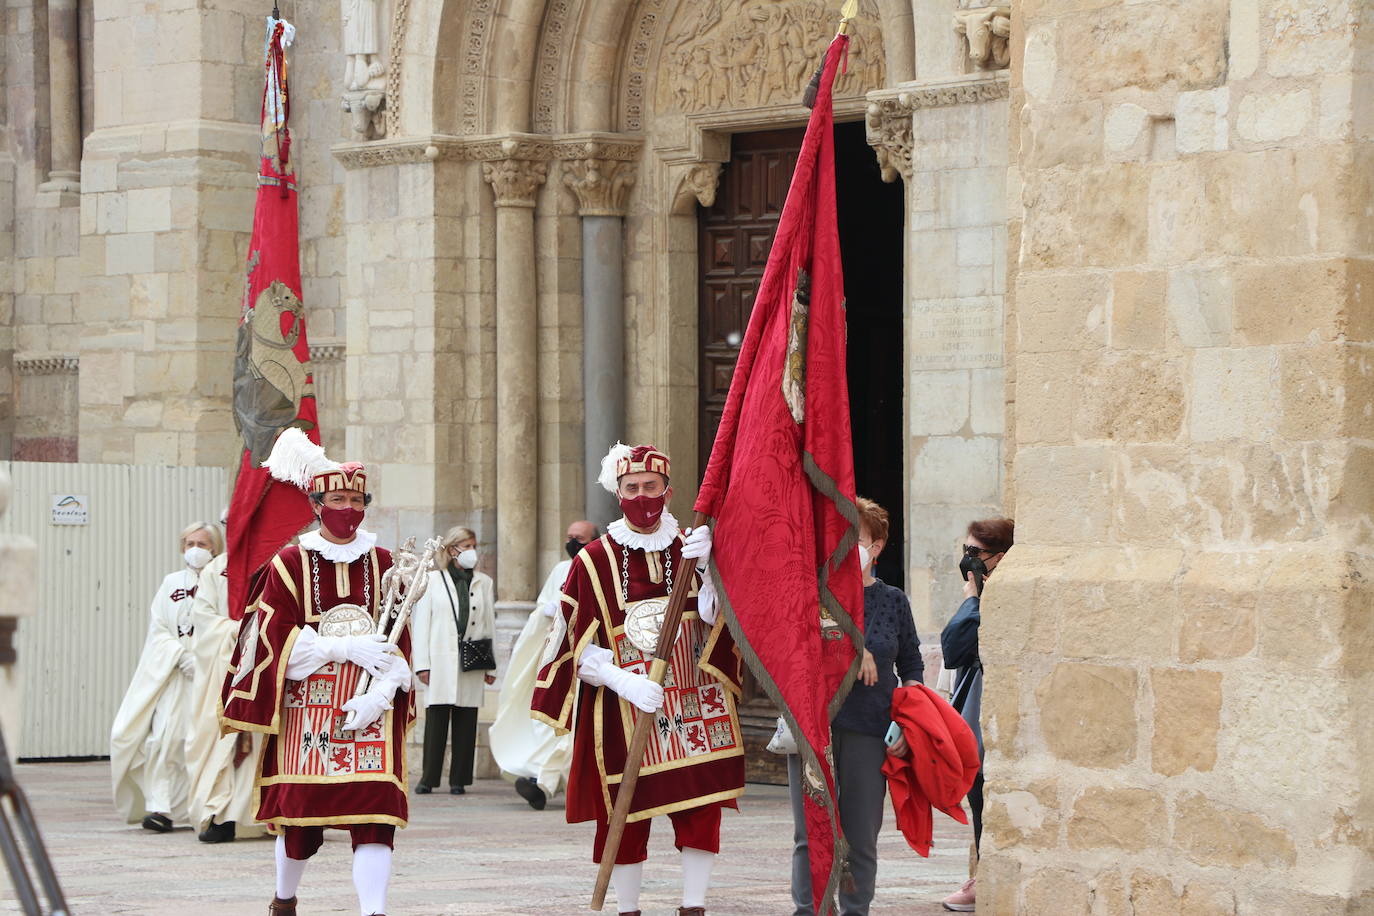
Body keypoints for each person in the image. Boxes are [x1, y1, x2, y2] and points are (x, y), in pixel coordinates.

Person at [532, 443, 744, 916]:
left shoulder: (692, 546)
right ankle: (629, 909)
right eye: (633, 488)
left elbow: (718, 620)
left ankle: (693, 906)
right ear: (618, 492)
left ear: (668, 492)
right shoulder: (592, 559)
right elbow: (570, 644)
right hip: (623, 705)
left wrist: (712, 571)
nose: (643, 495)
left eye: (652, 487)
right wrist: (621, 681)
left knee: (700, 806)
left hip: (693, 697)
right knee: (623, 815)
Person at [220, 433, 414, 916]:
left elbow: (400, 640)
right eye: (337, 499)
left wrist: (383, 692)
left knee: (376, 814)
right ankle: (284, 899)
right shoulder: (290, 563)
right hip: (307, 706)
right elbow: (270, 636)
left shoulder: (385, 563)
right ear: (317, 503)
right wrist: (343, 645)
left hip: (371, 708)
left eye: (355, 499)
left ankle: (374, 911)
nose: (347, 508)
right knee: (301, 818)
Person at [788, 497, 923, 916]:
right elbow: (789, 652)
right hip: (812, 727)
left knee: (861, 833)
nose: (845, 546)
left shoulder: (894, 601)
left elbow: (911, 664)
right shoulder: (810, 593)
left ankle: (855, 909)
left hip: (869, 728)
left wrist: (908, 723)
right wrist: (850, 647)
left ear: (877, 546)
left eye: (857, 539)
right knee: (810, 832)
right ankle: (807, 910)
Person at [111, 521, 223, 833]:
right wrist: (181, 656)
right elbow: (158, 628)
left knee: (198, 742)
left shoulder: (222, 581)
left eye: (203, 543)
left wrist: (204, 658)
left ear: (215, 547)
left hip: (209, 677)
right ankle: (161, 808)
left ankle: (200, 806)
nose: (196, 550)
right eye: (190, 543)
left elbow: (226, 624)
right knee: (163, 739)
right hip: (176, 675)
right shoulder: (170, 582)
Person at [489, 519, 597, 810]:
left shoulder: (599, 568)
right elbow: (542, 612)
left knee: (578, 728)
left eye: (580, 538)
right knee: (556, 726)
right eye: (570, 537)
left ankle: (548, 783)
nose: (574, 542)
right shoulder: (560, 570)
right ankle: (543, 781)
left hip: (593, 659)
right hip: (558, 659)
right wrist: (548, 611)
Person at [938, 517, 1013, 913]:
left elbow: (954, 645)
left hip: (993, 725)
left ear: (999, 558)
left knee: (987, 801)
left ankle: (985, 882)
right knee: (979, 800)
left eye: (976, 554)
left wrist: (971, 598)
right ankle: (983, 879)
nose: (968, 561)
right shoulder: (984, 597)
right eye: (965, 551)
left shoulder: (997, 601)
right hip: (974, 721)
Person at [185, 512, 266, 844]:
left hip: (263, 664)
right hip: (223, 666)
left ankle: (259, 816)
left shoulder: (273, 564)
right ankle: (220, 812)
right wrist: (234, 630)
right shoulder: (216, 569)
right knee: (217, 738)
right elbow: (202, 616)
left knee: (261, 740)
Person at [410, 525, 497, 796]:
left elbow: (489, 623)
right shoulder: (432, 580)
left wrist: (491, 665)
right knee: (436, 719)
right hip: (440, 658)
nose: (472, 552)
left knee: (466, 718)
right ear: (452, 550)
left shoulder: (484, 581)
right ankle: (429, 778)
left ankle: (459, 779)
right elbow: (422, 623)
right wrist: (422, 664)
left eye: (474, 545)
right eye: (466, 546)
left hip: (472, 656)